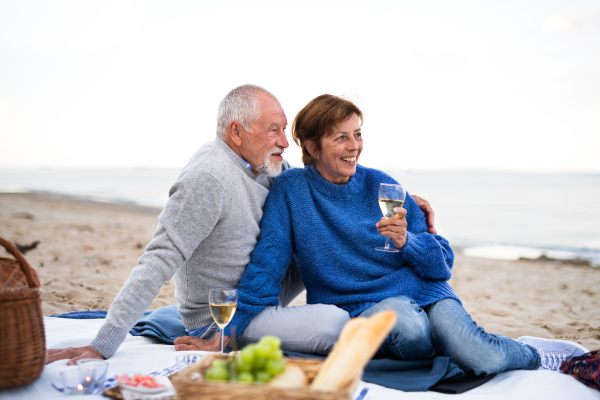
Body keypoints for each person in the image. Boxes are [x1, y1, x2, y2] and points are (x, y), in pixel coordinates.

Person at [46, 84, 438, 364]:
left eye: (284, 129)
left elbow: (320, 186)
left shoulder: (265, 165)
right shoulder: (208, 179)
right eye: (274, 130)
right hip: (224, 316)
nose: (285, 142)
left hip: (263, 294)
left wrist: (407, 204)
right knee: (335, 322)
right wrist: (103, 344)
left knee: (318, 226)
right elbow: (158, 259)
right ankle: (224, 338)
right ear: (236, 132)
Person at [216, 94, 588, 375]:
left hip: (423, 291)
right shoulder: (293, 191)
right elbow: (267, 265)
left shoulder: (382, 185)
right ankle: (439, 340)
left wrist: (407, 240)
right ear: (311, 147)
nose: (354, 147)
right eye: (340, 138)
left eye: (357, 135)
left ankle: (536, 353)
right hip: (359, 308)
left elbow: (441, 264)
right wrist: (227, 334)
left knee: (479, 355)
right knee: (410, 331)